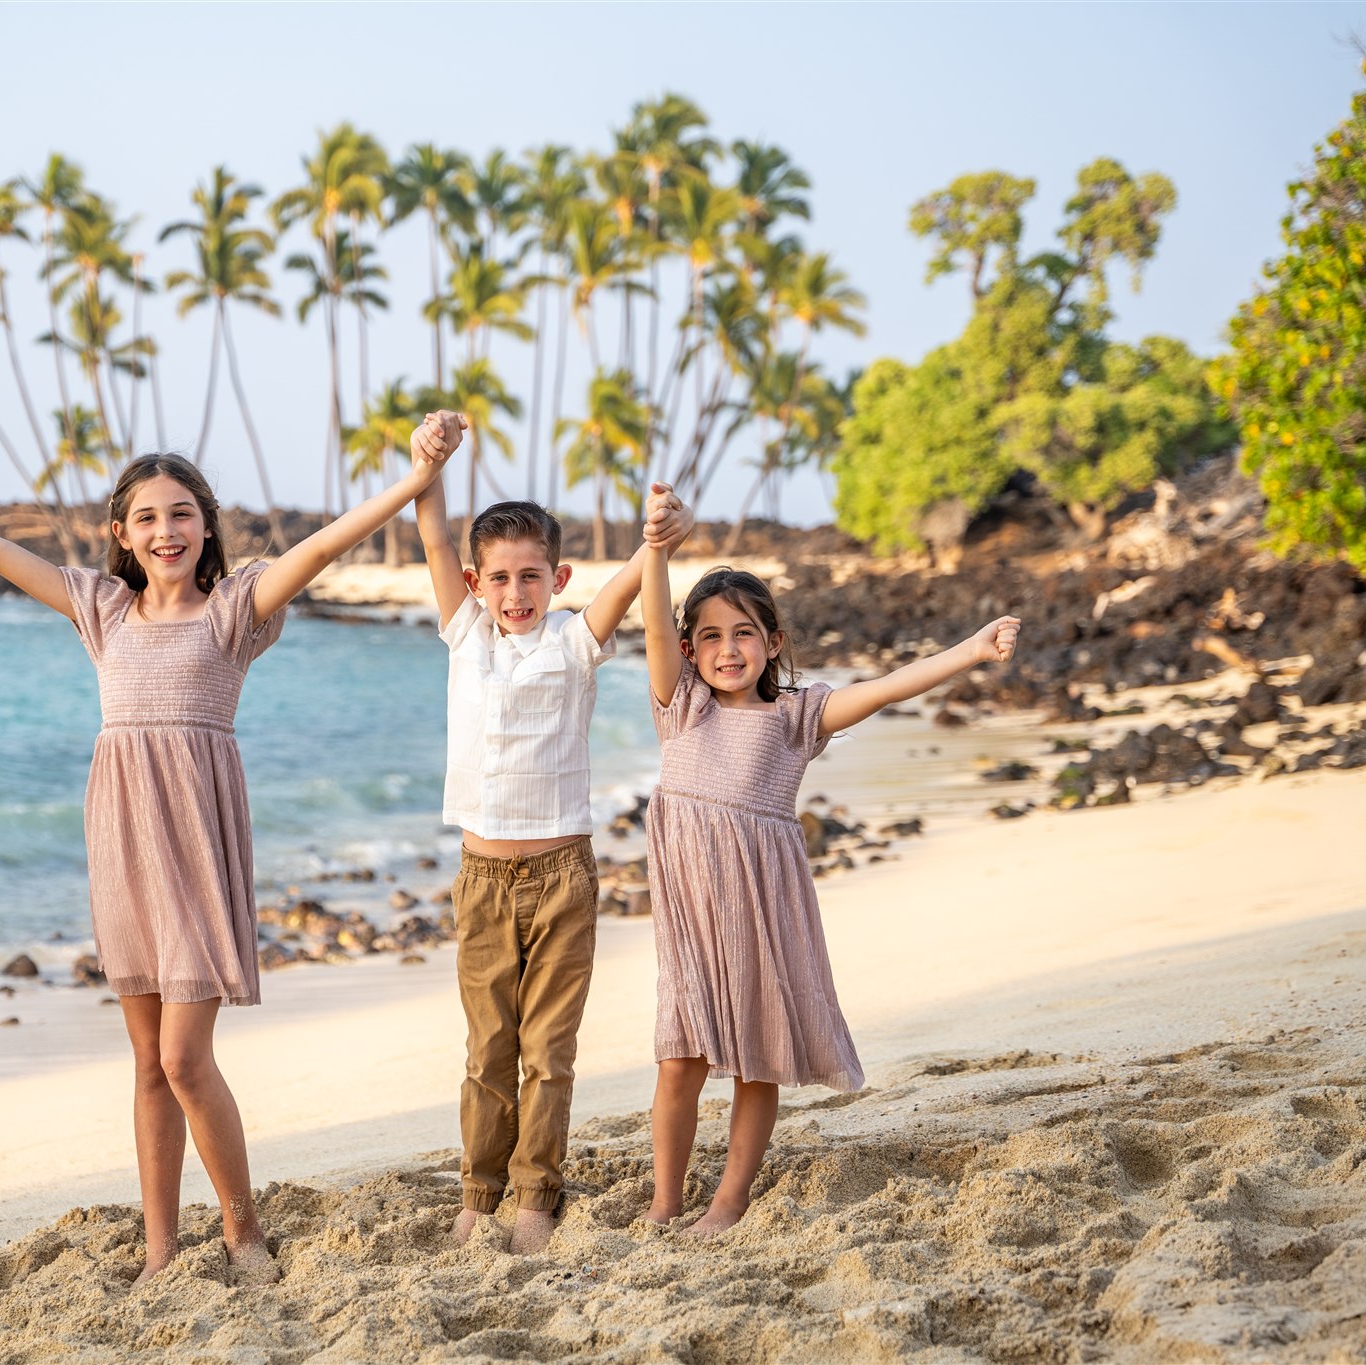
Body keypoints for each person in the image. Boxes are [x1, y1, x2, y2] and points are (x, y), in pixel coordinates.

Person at [0, 424, 457, 1283]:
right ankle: (163, 1247)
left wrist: (416, 478)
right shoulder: (101, 609)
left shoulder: (236, 608)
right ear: (122, 535)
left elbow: (325, 544)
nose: (165, 530)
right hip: (123, 840)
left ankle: (244, 1231)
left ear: (206, 526)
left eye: (181, 513)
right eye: (146, 517)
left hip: (198, 843)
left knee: (182, 1058)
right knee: (144, 1062)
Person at [638, 542, 1020, 1238]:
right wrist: (657, 549)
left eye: (745, 632)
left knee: (761, 1056)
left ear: (774, 641)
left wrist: (971, 649)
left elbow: (886, 688)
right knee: (678, 1057)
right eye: (713, 636)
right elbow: (656, 626)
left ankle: (729, 1199)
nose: (729, 650)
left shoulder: (795, 718)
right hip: (692, 922)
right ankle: (665, 1203)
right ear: (692, 649)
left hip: (763, 911)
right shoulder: (681, 706)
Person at [410, 412, 693, 1253]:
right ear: (476, 582)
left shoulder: (573, 642)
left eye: (532, 576)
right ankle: (479, 1190)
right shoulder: (466, 638)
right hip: (484, 878)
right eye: (498, 578)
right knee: (487, 1048)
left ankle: (534, 1193)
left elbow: (628, 590)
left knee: (549, 1048)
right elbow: (429, 539)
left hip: (563, 874)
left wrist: (657, 540)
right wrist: (429, 463)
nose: (516, 593)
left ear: (557, 576)